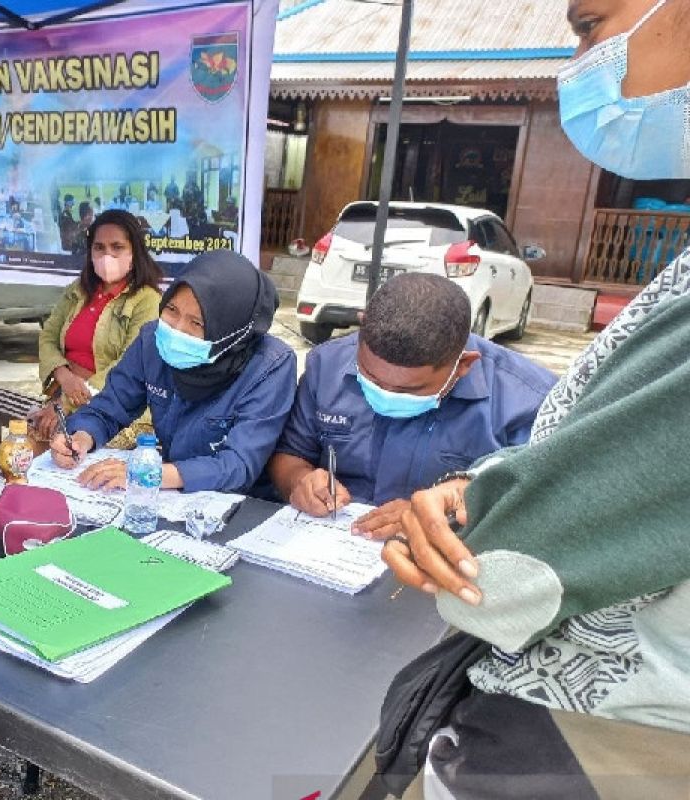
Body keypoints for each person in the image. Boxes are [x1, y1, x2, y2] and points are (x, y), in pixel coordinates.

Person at [382, 0, 690, 794]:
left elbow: (504, 574)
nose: (581, 62)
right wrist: (479, 490)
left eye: (591, 24)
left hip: (605, 738)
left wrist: (475, 513)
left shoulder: (514, 388)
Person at [268, 273, 554, 538]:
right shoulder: (327, 365)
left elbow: (537, 503)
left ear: (463, 365)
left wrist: (449, 513)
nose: (384, 392)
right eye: (369, 376)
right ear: (363, 328)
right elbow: (289, 454)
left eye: (408, 389)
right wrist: (298, 481)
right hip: (331, 542)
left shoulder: (530, 403)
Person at [49, 250, 296, 494]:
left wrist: (147, 474)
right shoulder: (154, 340)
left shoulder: (270, 366)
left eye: (197, 323)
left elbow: (239, 463)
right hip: (170, 495)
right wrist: (81, 439)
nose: (177, 329)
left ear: (231, 331)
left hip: (244, 505)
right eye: (172, 310)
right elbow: (110, 406)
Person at [33, 210, 163, 448]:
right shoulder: (78, 291)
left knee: (65, 457)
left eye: (117, 247)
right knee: (18, 455)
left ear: (134, 252)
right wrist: (64, 377)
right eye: (99, 247)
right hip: (64, 395)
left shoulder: (147, 301)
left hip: (115, 410)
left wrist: (66, 402)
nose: (107, 255)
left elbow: (126, 366)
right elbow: (48, 337)